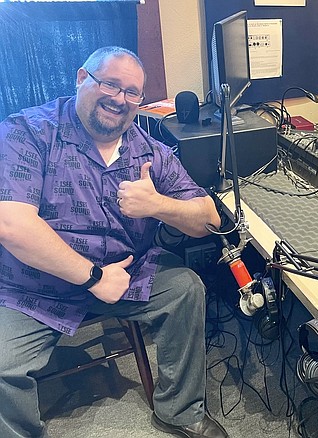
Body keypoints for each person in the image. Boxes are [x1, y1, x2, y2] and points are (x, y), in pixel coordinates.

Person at [0, 47, 228, 438]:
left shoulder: (150, 151)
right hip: (35, 285)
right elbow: (11, 224)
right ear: (81, 78)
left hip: (126, 274)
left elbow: (209, 218)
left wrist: (158, 205)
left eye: (132, 92)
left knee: (186, 288)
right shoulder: (27, 132)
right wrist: (92, 277)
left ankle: (180, 410)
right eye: (110, 84)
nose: (119, 99)